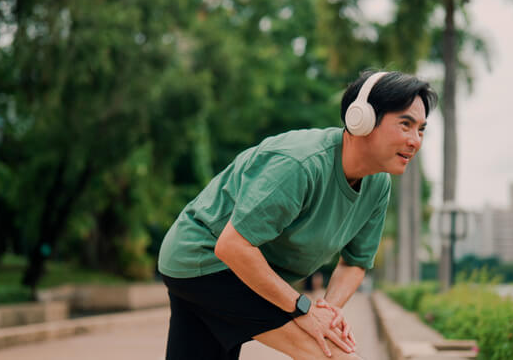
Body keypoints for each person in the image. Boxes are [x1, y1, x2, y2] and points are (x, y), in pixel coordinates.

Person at [158, 70, 437, 360]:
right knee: (332, 356)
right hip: (206, 260)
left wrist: (328, 311)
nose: (415, 141)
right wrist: (303, 308)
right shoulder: (299, 165)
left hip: (232, 267)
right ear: (361, 119)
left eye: (421, 129)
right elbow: (232, 245)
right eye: (405, 125)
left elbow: (355, 263)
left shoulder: (378, 185)